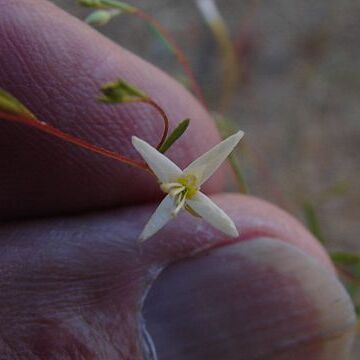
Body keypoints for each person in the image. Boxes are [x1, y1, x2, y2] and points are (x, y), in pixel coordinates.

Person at [0, 1, 355, 358]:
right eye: (187, 187)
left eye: (188, 187)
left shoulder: (187, 186)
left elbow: (205, 191)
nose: (187, 187)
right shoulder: (182, 187)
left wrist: (185, 186)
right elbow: (181, 183)